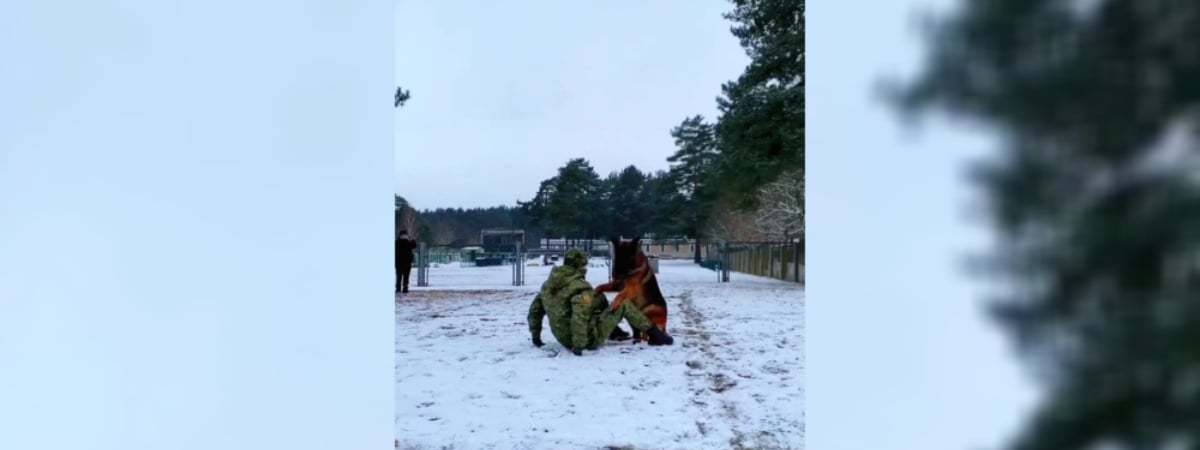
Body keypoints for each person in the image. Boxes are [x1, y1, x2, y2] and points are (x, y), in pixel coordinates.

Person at [527, 248, 673, 356]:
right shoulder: (580, 287)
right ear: (580, 267)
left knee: (599, 297)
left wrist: (536, 337)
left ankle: (614, 331)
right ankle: (655, 334)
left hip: (562, 336)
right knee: (624, 304)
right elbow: (579, 315)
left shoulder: (548, 286)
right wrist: (579, 346)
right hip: (585, 339)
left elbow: (535, 310)